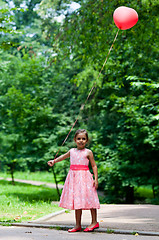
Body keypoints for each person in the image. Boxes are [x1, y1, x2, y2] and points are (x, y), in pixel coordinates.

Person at [48, 129, 100, 232]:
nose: (81, 141)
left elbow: (94, 165)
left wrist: (96, 179)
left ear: (87, 140)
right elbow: (63, 157)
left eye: (83, 139)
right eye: (79, 138)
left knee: (90, 199)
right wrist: (54, 161)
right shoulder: (72, 151)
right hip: (74, 179)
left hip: (85, 178)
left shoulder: (88, 152)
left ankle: (94, 222)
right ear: (75, 140)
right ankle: (77, 225)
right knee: (77, 201)